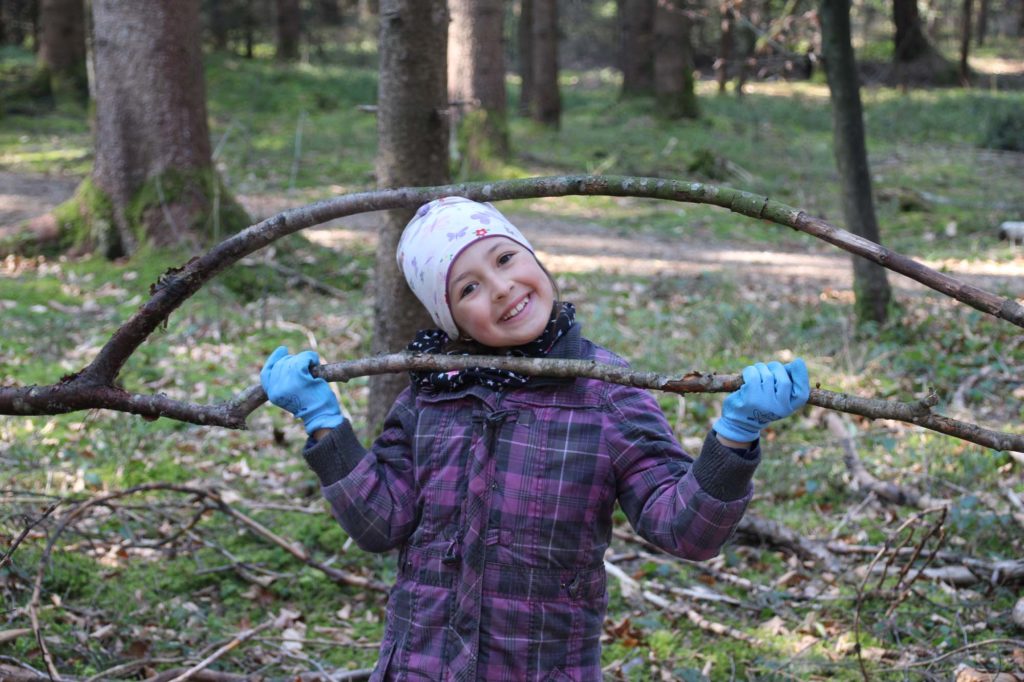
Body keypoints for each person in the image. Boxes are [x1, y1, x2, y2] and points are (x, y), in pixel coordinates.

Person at [260, 197, 810, 682]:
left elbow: (684, 530)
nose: (501, 289)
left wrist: (734, 438)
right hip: (419, 667)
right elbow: (380, 523)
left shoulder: (605, 393)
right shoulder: (429, 398)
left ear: (534, 258)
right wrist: (323, 422)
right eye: (468, 287)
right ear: (448, 318)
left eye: (505, 259)